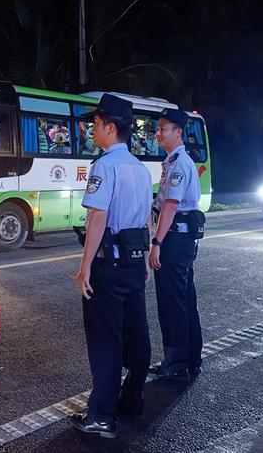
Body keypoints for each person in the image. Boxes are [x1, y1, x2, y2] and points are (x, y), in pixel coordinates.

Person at [69, 94, 153, 438]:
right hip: (133, 265)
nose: (92, 130)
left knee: (105, 340)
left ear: (110, 127)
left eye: (95, 123)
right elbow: (147, 217)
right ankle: (133, 396)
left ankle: (102, 416)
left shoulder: (105, 165)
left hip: (109, 266)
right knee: (136, 333)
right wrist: (146, 259)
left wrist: (85, 265)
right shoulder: (140, 167)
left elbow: (98, 217)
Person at [147, 108, 204, 381]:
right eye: (157, 128)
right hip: (181, 237)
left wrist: (156, 242)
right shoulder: (174, 161)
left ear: (179, 132)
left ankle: (176, 363)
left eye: (164, 128)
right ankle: (190, 358)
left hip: (175, 238)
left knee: (172, 301)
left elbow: (171, 205)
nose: (158, 133)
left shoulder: (179, 163)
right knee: (183, 299)